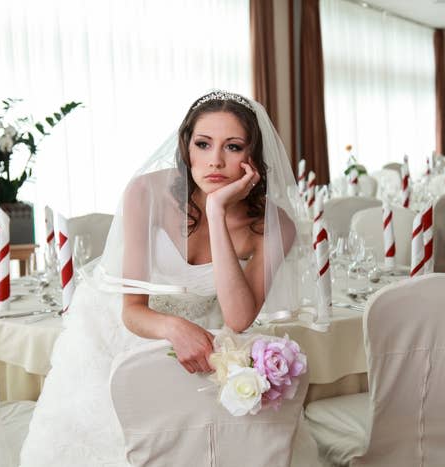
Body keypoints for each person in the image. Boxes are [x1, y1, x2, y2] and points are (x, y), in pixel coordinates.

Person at [19, 91, 316, 466]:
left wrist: (217, 209)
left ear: (253, 158)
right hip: (118, 328)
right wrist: (173, 327)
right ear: (186, 148)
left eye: (234, 146)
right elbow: (132, 309)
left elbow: (239, 318)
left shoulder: (275, 225)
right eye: (203, 144)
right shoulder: (147, 193)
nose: (216, 161)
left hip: (201, 332)